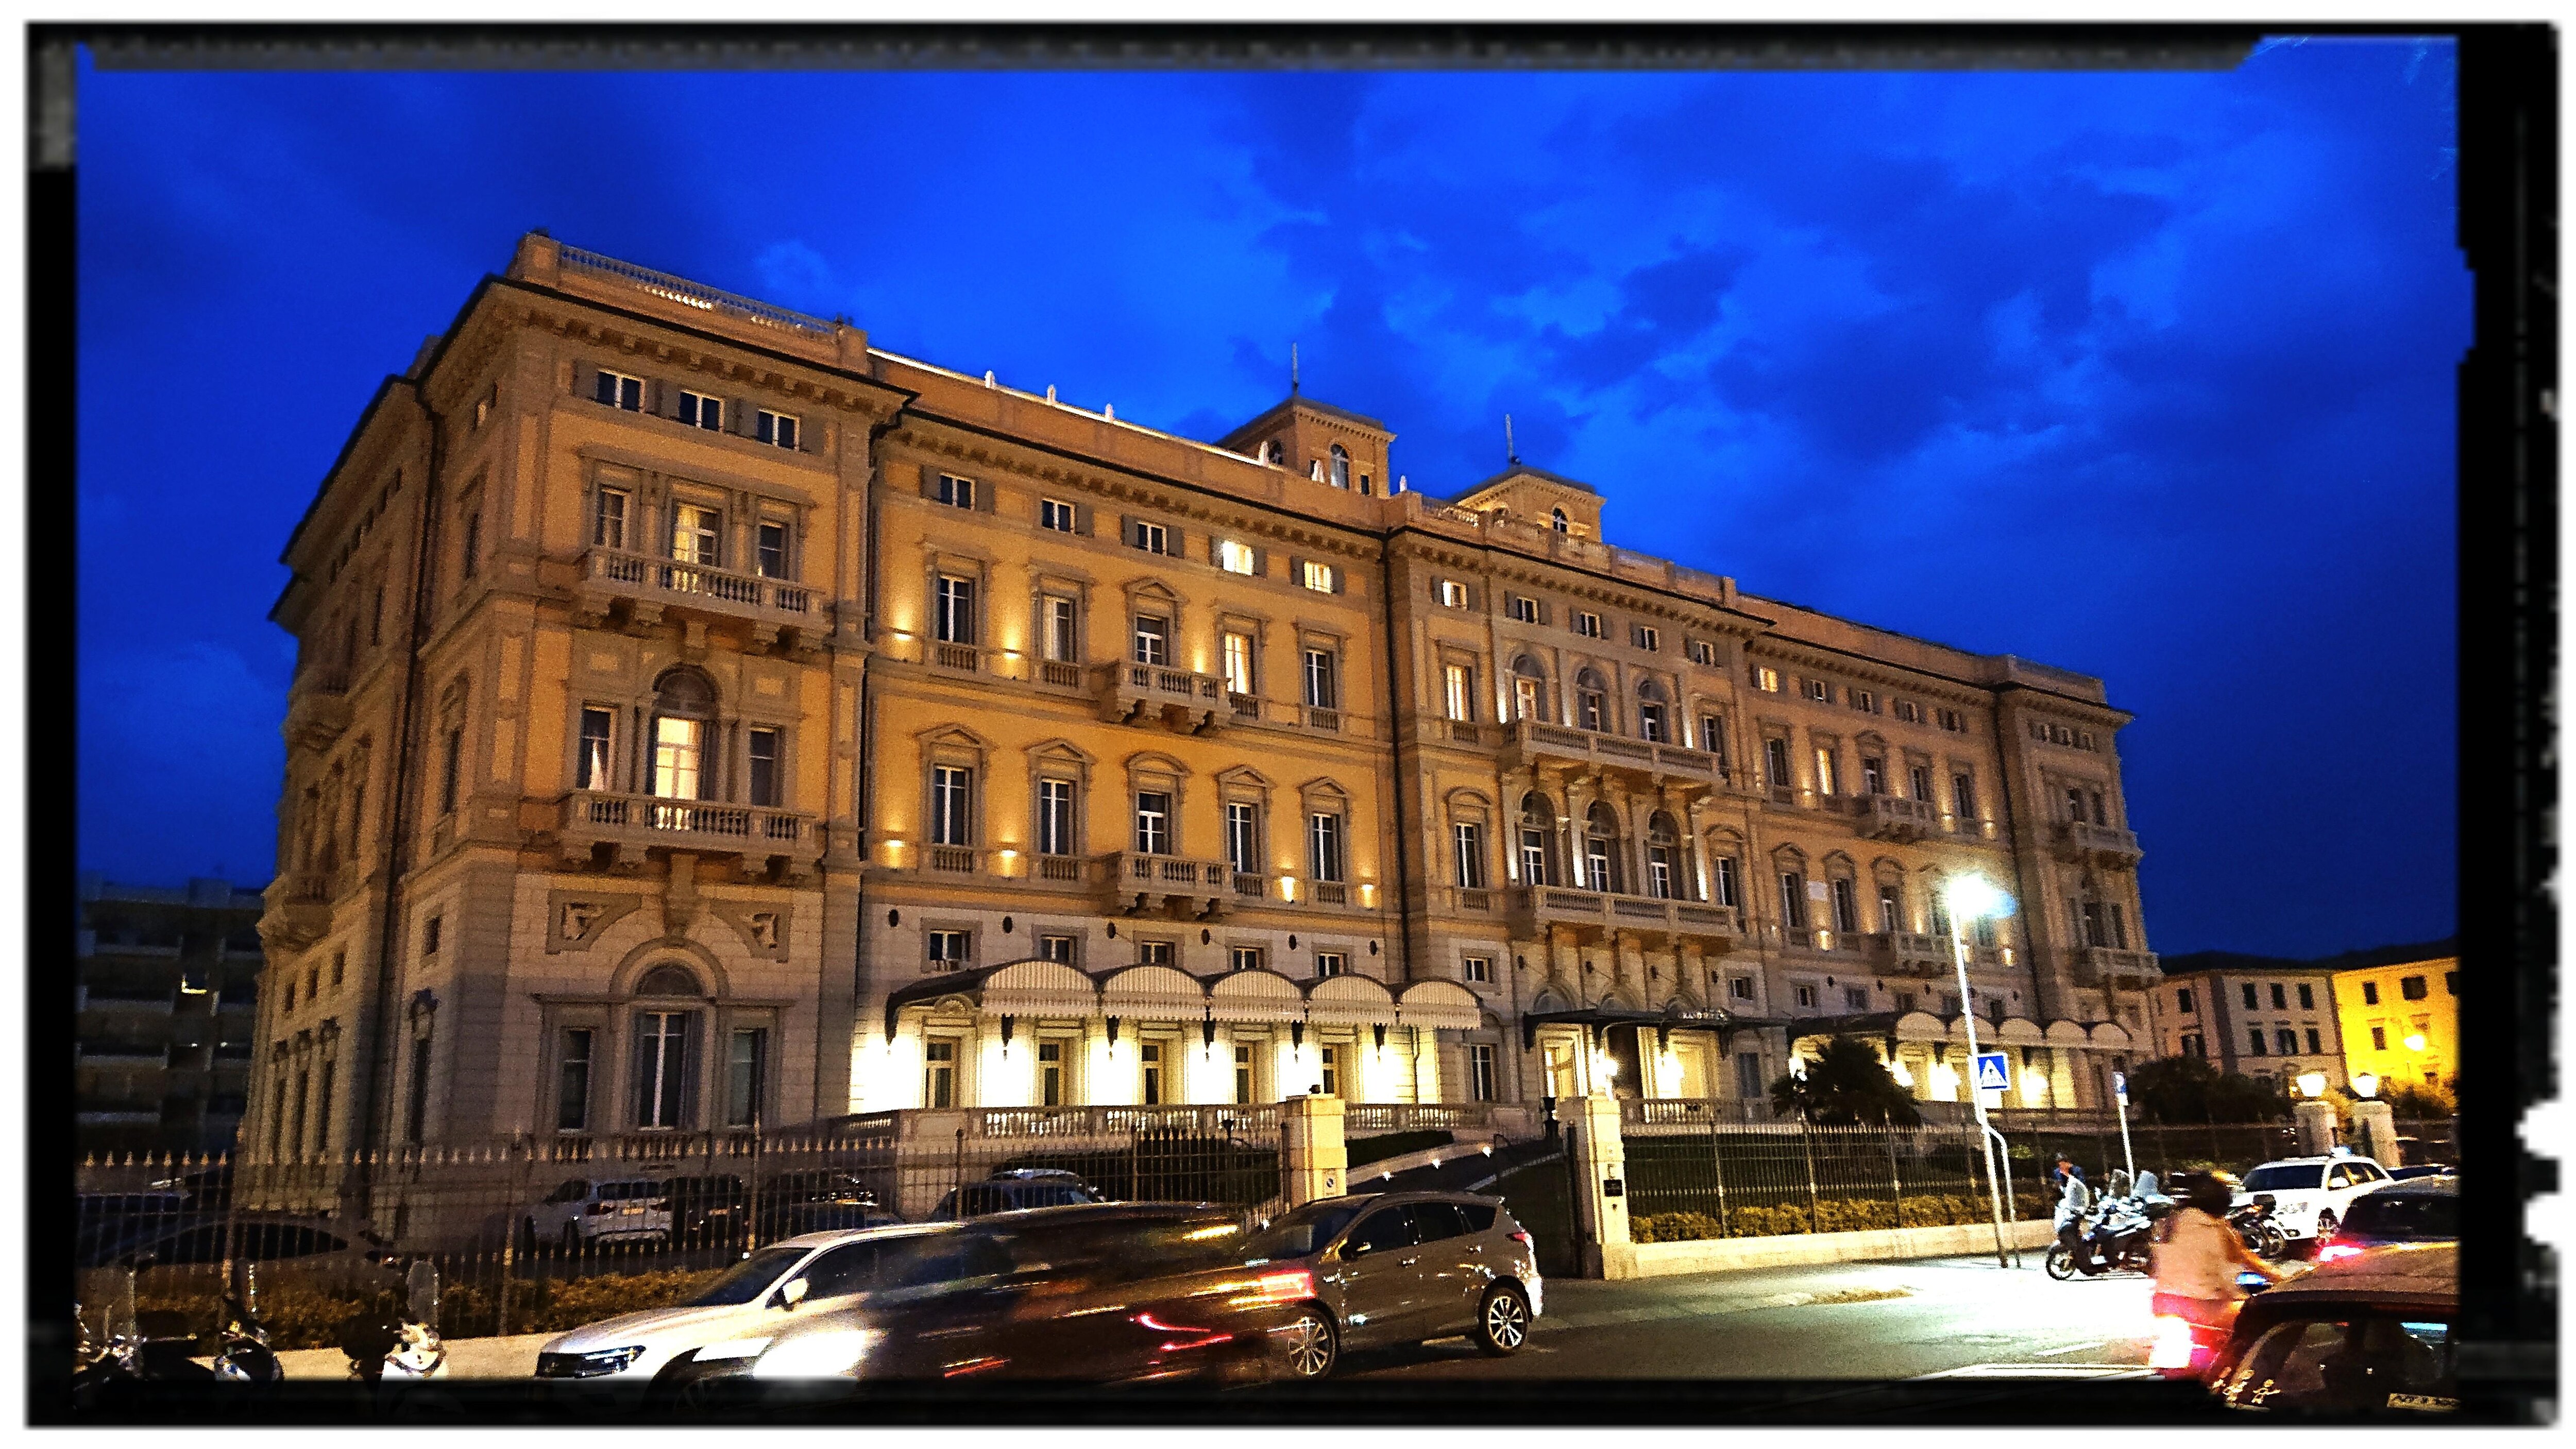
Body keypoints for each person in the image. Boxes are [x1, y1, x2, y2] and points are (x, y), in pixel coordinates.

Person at [2150, 1170, 2281, 1334]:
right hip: (2205, 1306)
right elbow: (2243, 1261)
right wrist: (2282, 1279)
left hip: (2163, 1302)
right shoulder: (2216, 1227)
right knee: (2263, 1322)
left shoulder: (2171, 1223)